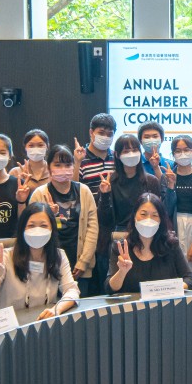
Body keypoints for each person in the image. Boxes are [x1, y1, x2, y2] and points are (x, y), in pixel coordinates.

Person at [0, 203, 79, 319]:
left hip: (40, 323)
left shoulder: (59, 256)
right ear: (22, 228)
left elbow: (72, 291)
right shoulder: (6, 256)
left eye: (43, 226)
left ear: (52, 229)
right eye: (31, 226)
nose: (37, 231)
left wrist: (57, 309)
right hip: (7, 326)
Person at [29, 145, 99, 295]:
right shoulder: (39, 194)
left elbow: (92, 228)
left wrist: (83, 262)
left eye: (68, 165)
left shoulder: (84, 191)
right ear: (49, 167)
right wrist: (49, 215)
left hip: (79, 264)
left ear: (74, 166)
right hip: (48, 265)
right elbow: (31, 230)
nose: (63, 169)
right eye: (58, 165)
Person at [109, 193, 192, 293]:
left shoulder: (171, 245)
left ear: (161, 220)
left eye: (155, 215)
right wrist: (122, 272)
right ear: (134, 216)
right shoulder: (121, 247)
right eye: (143, 214)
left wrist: (169, 289)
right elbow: (110, 288)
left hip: (164, 305)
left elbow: (189, 279)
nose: (148, 220)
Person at [76, 113, 118, 297]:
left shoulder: (117, 158)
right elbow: (72, 188)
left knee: (106, 275)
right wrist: (76, 163)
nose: (106, 137)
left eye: (110, 134)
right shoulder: (80, 158)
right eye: (102, 132)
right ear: (91, 133)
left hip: (110, 223)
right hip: (86, 224)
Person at [98, 134, 169, 237]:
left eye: (135, 150)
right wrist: (104, 195)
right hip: (120, 235)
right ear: (117, 155)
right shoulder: (110, 183)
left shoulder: (151, 181)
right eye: (126, 151)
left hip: (147, 233)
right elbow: (105, 220)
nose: (131, 154)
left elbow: (158, 213)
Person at [165, 135, 192, 284]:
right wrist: (170, 185)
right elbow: (166, 211)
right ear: (172, 154)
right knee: (176, 271)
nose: (182, 154)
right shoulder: (167, 176)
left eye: (186, 150)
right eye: (178, 151)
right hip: (175, 228)